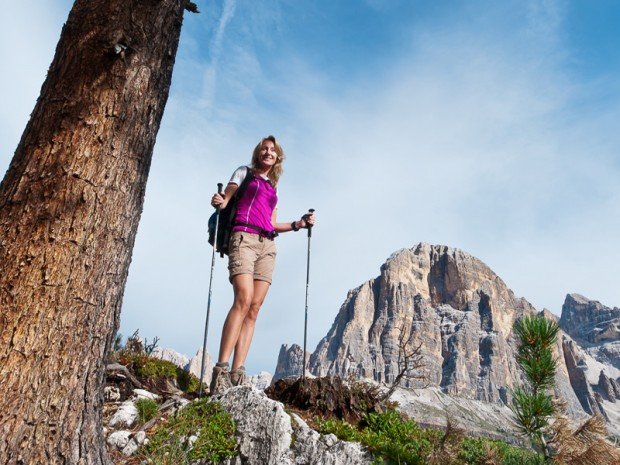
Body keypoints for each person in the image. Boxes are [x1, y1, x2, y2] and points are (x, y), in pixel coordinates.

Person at [209, 135, 315, 395]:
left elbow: (271, 224)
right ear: (258, 154)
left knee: (254, 307)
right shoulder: (244, 172)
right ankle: (220, 370)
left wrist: (298, 224)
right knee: (243, 299)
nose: (269, 152)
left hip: (267, 245)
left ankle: (238, 372)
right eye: (264, 149)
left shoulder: (272, 189)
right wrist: (220, 201)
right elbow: (227, 198)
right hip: (242, 236)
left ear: (277, 158)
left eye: (273, 150)